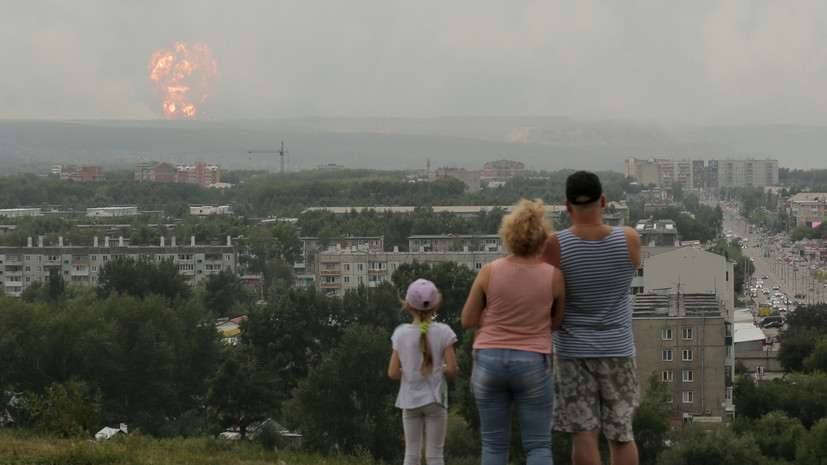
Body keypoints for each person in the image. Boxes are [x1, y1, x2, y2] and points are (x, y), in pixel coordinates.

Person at [542, 171, 642, 465]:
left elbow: (549, 296)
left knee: (584, 434)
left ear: (567, 206)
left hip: (573, 353)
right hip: (619, 350)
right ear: (604, 201)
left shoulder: (554, 245)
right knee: (622, 434)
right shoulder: (629, 239)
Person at [462, 199, 566, 465]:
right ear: (542, 238)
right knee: (538, 445)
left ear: (507, 236)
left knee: (494, 445)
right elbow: (555, 323)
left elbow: (467, 320)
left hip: (489, 361)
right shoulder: (553, 276)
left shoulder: (489, 272)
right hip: (532, 361)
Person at [389, 278, 458, 465]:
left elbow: (393, 373)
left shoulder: (400, 333)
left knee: (411, 454)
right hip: (435, 399)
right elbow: (452, 369)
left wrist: (410, 371)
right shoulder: (444, 332)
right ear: (436, 305)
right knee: (435, 455)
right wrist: (439, 369)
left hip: (409, 400)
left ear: (408, 305)